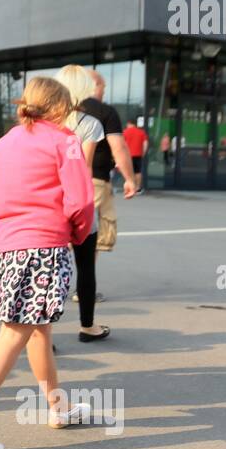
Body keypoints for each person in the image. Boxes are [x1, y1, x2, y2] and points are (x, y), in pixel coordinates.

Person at [0, 77, 95, 449]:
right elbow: (81, 202)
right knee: (15, 334)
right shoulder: (64, 140)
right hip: (45, 247)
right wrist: (77, 234)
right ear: (60, 107)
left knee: (36, 331)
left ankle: (58, 406)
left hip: (8, 248)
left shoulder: (2, 144)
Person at [56, 65, 110, 342]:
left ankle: (43, 335)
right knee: (85, 265)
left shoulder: (47, 121)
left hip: (51, 203)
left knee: (51, 267)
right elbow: (84, 168)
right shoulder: (89, 123)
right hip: (79, 201)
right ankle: (87, 326)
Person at [78, 70, 137, 254]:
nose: (104, 91)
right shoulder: (106, 112)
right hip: (96, 180)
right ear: (95, 85)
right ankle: (84, 280)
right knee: (92, 235)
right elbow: (119, 148)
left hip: (73, 176)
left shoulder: (71, 108)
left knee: (80, 231)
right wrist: (130, 180)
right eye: (103, 86)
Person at [123, 119, 148, 193]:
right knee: (138, 172)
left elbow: (122, 144)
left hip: (128, 155)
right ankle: (137, 188)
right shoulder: (141, 132)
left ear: (129, 124)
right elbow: (145, 143)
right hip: (138, 155)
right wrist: (143, 153)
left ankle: (129, 188)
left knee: (128, 172)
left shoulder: (125, 132)